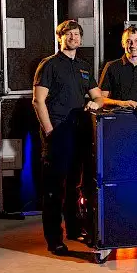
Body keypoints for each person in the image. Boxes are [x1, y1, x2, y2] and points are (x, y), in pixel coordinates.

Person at [32, 20, 103, 255]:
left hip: (79, 133)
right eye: (68, 34)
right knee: (55, 188)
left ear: (81, 39)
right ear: (60, 38)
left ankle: (74, 230)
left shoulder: (83, 66)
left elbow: (98, 97)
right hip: (58, 133)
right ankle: (55, 239)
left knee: (75, 185)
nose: (73, 37)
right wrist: (50, 132)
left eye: (76, 34)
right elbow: (38, 100)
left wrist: (96, 102)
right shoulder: (49, 65)